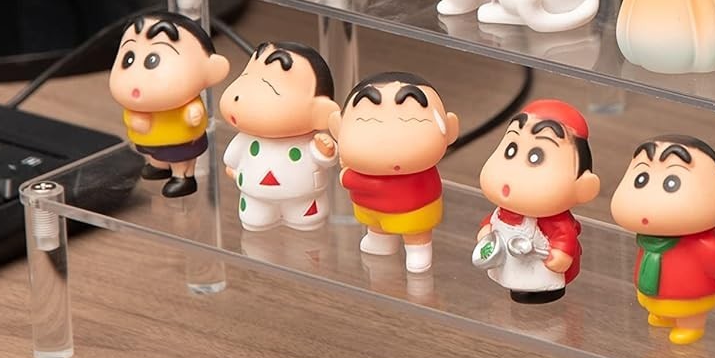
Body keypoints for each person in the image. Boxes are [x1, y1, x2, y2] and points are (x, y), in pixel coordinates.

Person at [610, 135, 715, 345]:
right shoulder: (648, 240)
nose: (650, 200)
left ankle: (691, 326)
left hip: (690, 292)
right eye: (641, 179)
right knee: (654, 299)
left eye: (671, 183)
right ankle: (662, 314)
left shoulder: (700, 244)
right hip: (656, 290)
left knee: (689, 310)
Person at [327, 72, 459, 270]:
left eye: (412, 121)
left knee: (415, 231)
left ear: (450, 130)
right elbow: (349, 180)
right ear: (337, 128)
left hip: (413, 209)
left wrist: (348, 176)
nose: (388, 140)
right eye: (367, 121)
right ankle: (380, 240)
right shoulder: (358, 168)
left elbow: (350, 181)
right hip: (370, 209)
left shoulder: (421, 173)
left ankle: (418, 249)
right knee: (376, 226)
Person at [475, 100, 599, 303]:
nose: (513, 173)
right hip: (508, 260)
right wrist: (487, 229)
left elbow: (564, 236)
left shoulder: (554, 220)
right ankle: (515, 286)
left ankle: (545, 292)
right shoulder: (504, 210)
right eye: (511, 150)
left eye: (535, 157)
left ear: (583, 186)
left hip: (541, 269)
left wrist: (561, 255)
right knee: (512, 276)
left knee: (540, 281)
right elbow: (493, 219)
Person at [219, 41, 339, 230]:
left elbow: (326, 159)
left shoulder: (309, 142)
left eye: (268, 88)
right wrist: (233, 167)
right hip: (254, 196)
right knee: (254, 222)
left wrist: (325, 151)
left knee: (307, 224)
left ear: (320, 112)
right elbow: (231, 159)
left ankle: (307, 223)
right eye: (245, 76)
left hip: (304, 199)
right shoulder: (246, 139)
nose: (238, 97)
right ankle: (256, 222)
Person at [109, 12, 230, 198]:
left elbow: (196, 113)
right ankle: (159, 166)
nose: (137, 76)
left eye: (152, 61)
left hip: (180, 139)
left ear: (211, 69)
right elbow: (130, 117)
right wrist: (135, 121)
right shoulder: (137, 107)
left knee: (180, 157)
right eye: (129, 59)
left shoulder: (188, 102)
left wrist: (193, 115)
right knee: (154, 153)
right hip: (150, 140)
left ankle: (183, 177)